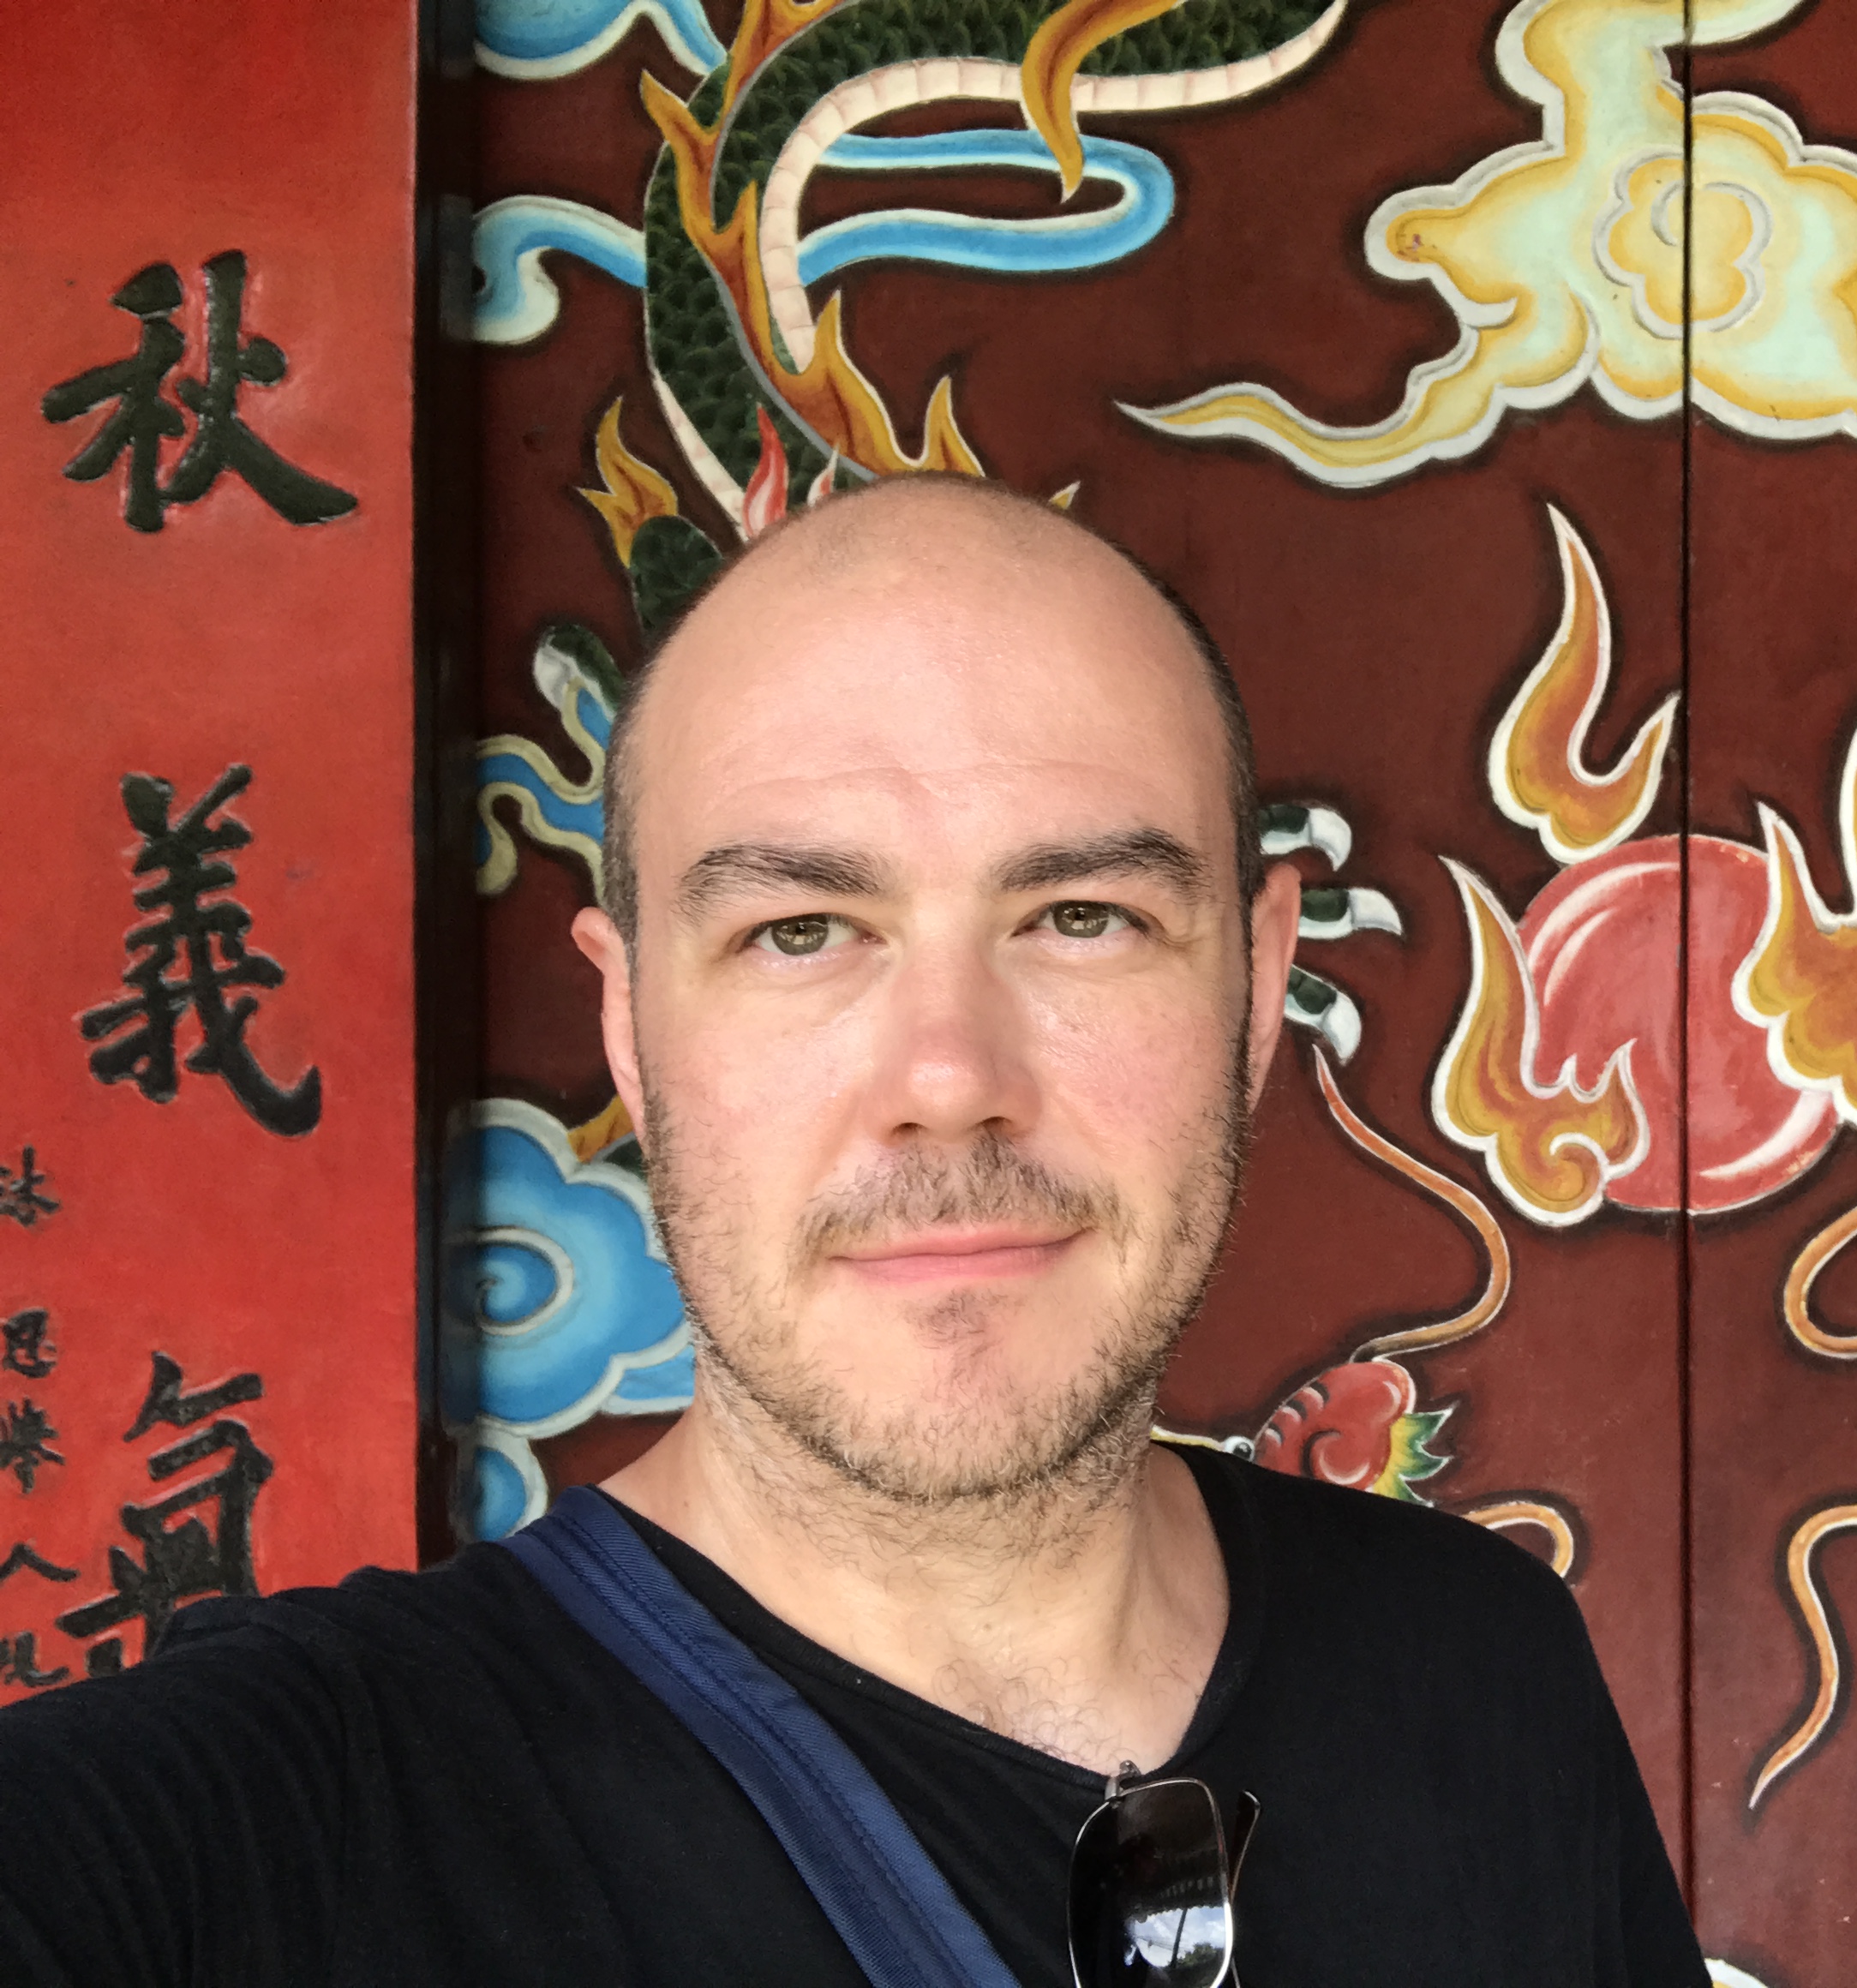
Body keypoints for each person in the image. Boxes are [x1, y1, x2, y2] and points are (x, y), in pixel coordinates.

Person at [0, 476, 1706, 1985]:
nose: (949, 1081)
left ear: (1257, 988)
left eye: (1083, 915)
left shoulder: (1475, 1668)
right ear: (631, 1030)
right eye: (801, 932)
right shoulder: (266, 1831)